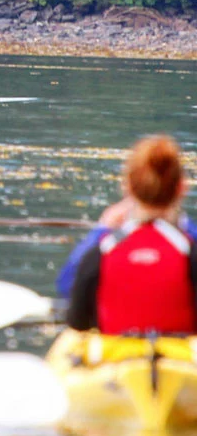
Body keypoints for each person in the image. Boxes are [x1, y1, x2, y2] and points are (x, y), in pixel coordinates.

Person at [66, 135, 197, 334]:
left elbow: (72, 301)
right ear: (181, 188)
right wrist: (185, 225)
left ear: (128, 187)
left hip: (117, 359)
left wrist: (102, 228)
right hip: (180, 360)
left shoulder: (102, 250)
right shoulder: (189, 249)